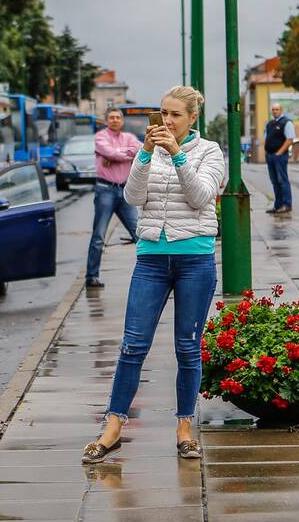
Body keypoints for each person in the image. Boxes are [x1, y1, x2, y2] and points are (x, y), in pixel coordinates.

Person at [81, 86, 224, 464]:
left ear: (193, 118)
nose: (168, 120)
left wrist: (177, 154)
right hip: (151, 260)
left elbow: (200, 196)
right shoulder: (148, 151)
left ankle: (184, 427)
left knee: (187, 348)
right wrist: (145, 153)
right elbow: (132, 198)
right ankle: (113, 427)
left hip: (195, 259)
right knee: (132, 345)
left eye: (176, 114)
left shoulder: (209, 151)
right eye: (164, 112)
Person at [85, 107, 142, 288]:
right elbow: (109, 152)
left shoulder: (129, 138)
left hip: (125, 192)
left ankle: (153, 274)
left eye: (118, 117)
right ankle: (91, 277)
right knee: (99, 236)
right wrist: (123, 155)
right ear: (106, 120)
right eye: (111, 117)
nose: (115, 120)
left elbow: (139, 150)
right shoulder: (101, 137)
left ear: (122, 121)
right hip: (105, 190)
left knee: (139, 234)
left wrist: (118, 155)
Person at [264, 103, 295, 214]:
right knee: (274, 181)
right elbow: (266, 139)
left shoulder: (286, 122)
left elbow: (290, 139)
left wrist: (279, 153)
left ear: (281, 110)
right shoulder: (270, 124)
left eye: (277, 109)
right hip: (270, 156)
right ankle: (278, 205)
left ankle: (287, 205)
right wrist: (267, 153)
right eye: (273, 109)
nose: (275, 111)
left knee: (282, 180)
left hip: (280, 156)